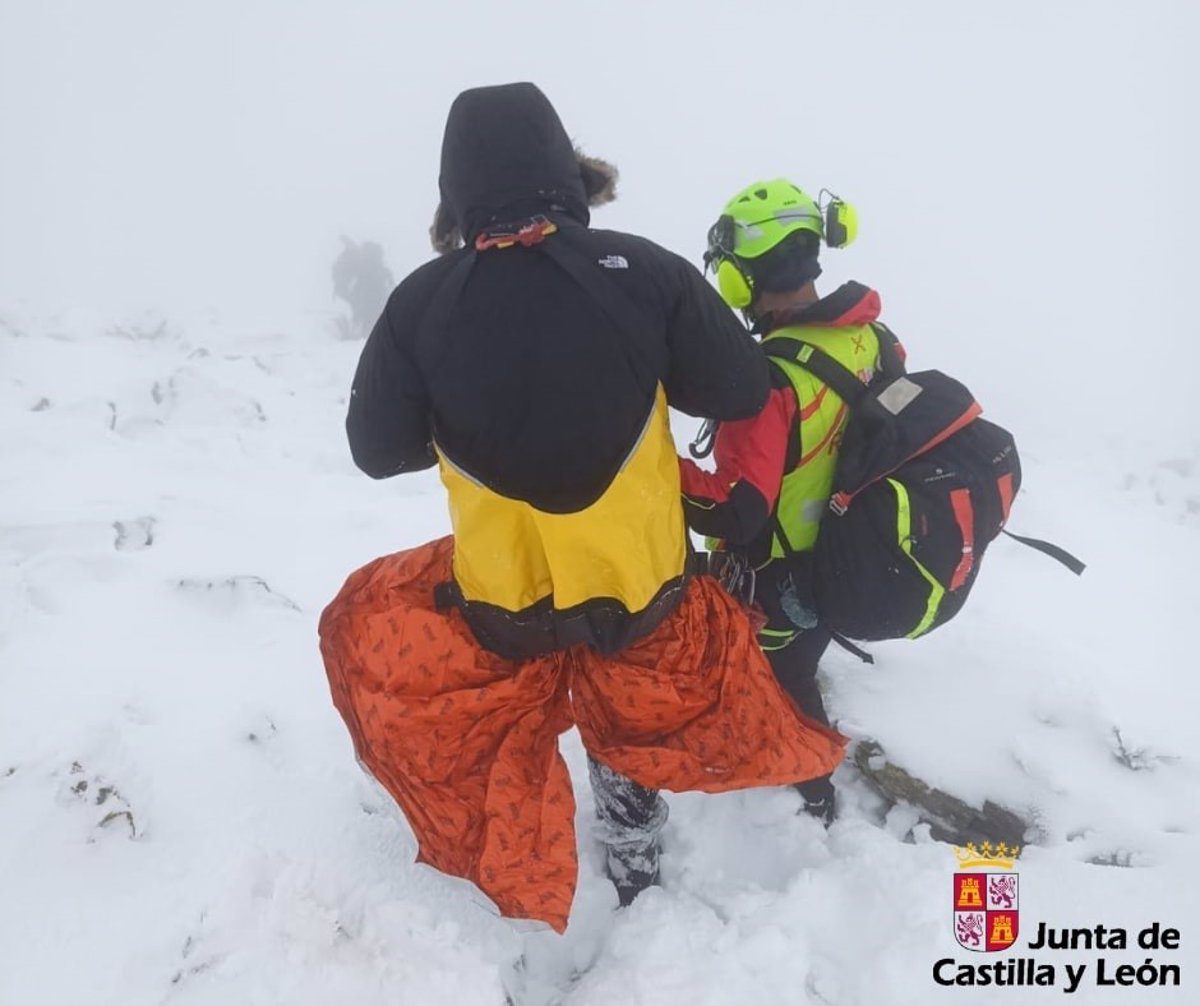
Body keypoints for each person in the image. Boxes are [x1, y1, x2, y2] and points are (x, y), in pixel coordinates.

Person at [319, 88, 844, 928]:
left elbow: (377, 451)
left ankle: (511, 886)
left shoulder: (420, 301)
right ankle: (634, 862)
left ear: (455, 192)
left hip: (503, 601)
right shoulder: (645, 271)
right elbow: (745, 387)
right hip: (639, 589)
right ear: (568, 173)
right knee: (623, 698)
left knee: (408, 633)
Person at [679, 178, 898, 826]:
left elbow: (734, 510)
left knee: (787, 678)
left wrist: (662, 472)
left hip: (780, 579)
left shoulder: (768, 377)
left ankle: (812, 790)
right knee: (797, 665)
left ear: (741, 281)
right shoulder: (872, 340)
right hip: (850, 553)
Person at [331, 236, 395, 338]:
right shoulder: (380, 272)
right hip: (375, 314)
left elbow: (349, 292)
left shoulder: (365, 271)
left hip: (368, 314)